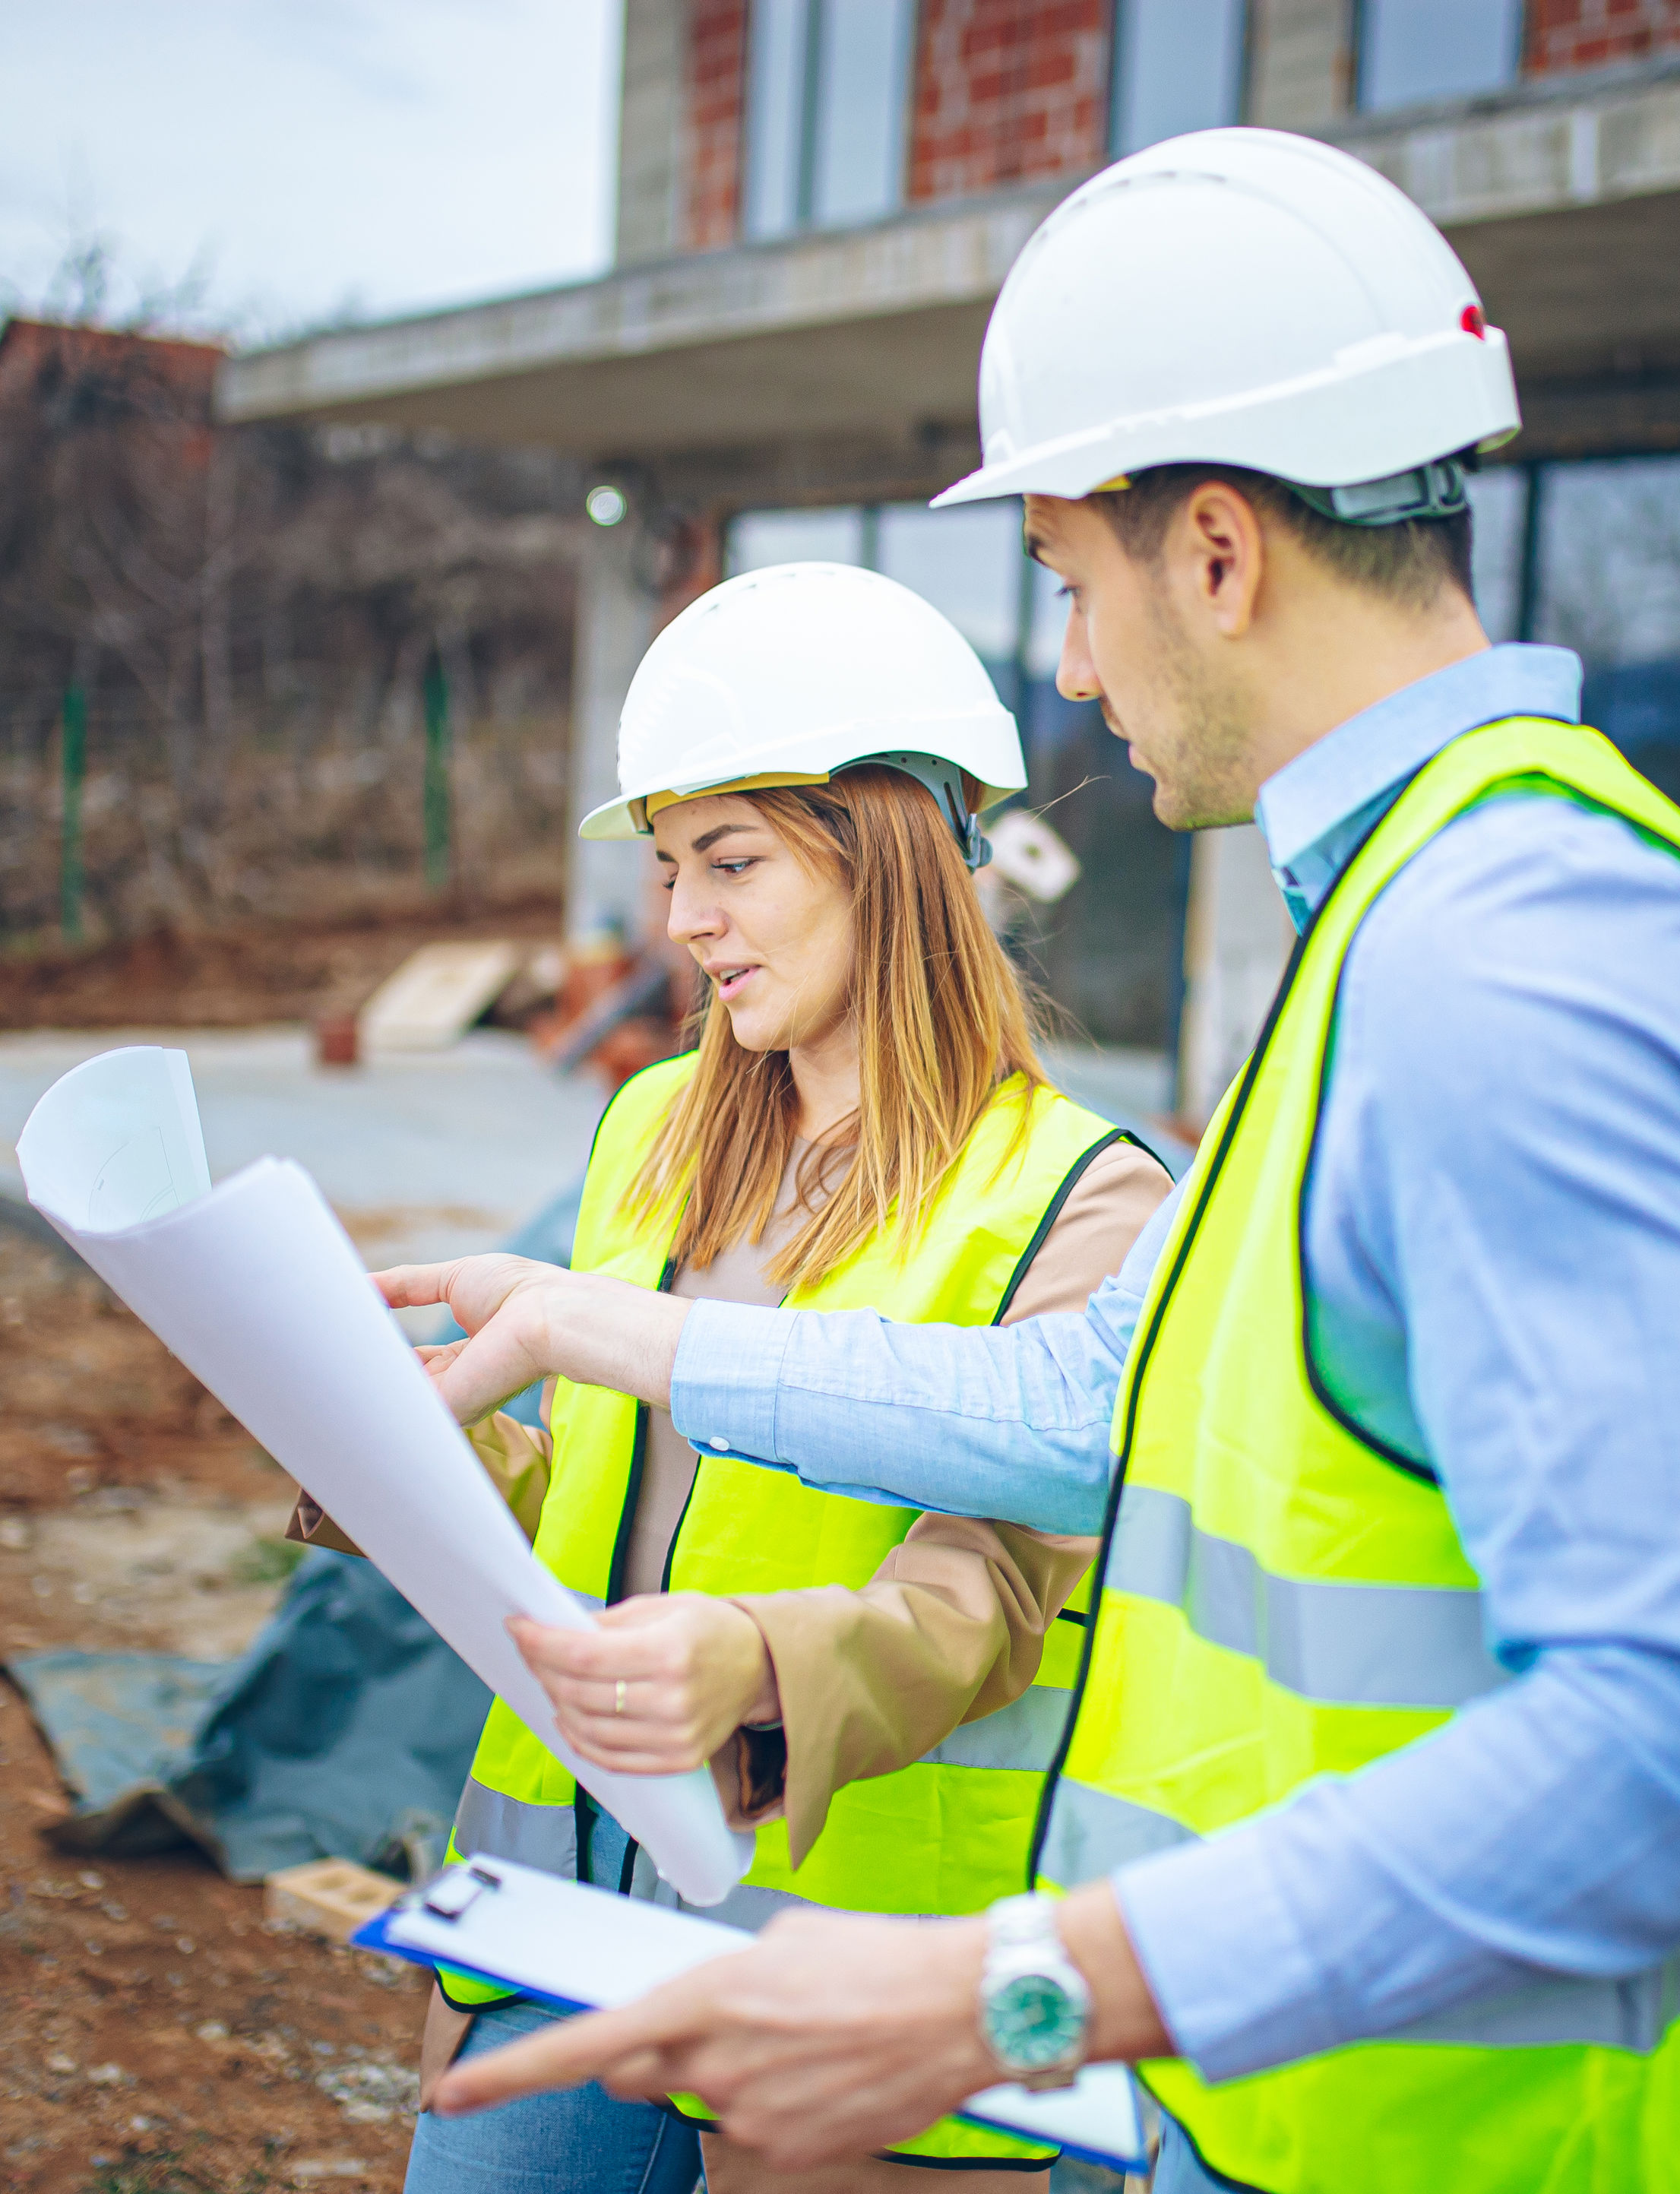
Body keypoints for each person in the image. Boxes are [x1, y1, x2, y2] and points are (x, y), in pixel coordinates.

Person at [384, 129, 1680, 2194]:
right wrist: (598, 1325)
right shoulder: (1404, 916)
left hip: (1535, 2140)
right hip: (1356, 2110)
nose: (1077, 671)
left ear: (1214, 552)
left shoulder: (1512, 960)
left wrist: (997, 1994)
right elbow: (1084, 1411)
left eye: (1071, 587)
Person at [356, 562, 1169, 2194]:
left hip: (839, 1959)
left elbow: (995, 1589)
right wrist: (384, 1431)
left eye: (732, 860)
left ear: (904, 857)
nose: (680, 922)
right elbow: (601, 1501)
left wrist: (756, 1661)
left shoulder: (1083, 1196)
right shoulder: (653, 1119)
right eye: (670, 867)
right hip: (549, 1908)